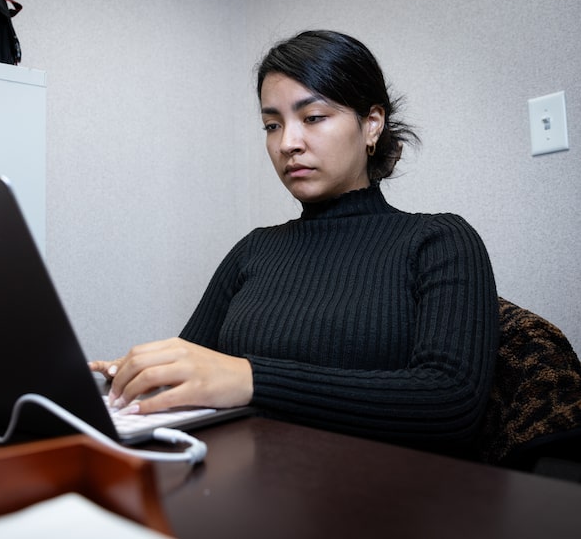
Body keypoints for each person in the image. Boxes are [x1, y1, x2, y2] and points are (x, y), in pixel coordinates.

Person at [90, 30, 499, 457]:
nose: (288, 143)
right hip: (239, 489)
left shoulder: (440, 240)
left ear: (372, 123)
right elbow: (196, 372)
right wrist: (132, 378)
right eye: (272, 125)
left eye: (314, 117)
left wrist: (252, 380)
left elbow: (450, 403)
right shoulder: (254, 250)